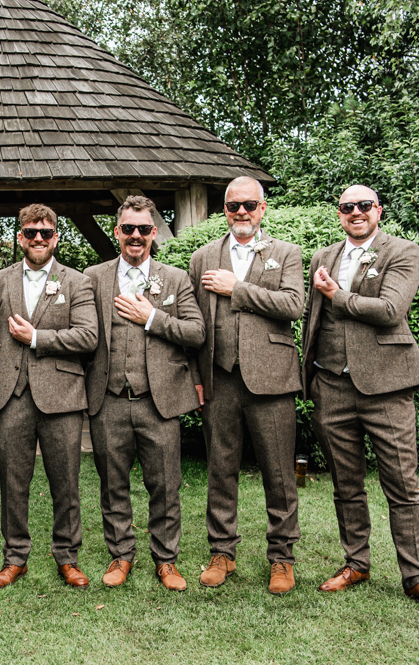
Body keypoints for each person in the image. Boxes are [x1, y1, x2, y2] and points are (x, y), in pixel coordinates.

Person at [301, 185, 419, 613]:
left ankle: (417, 578)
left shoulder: (402, 251)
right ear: (339, 214)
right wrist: (309, 377)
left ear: (378, 211)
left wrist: (337, 295)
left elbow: (391, 310)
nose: (356, 212)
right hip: (331, 386)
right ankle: (356, 564)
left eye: (364, 205)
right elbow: (313, 319)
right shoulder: (322, 256)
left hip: (386, 387)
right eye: (347, 207)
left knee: (402, 485)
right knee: (345, 484)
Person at [83, 195, 205, 592]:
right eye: (128, 228)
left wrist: (152, 317)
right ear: (116, 232)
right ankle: (121, 554)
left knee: (165, 485)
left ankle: (166, 560)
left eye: (144, 229)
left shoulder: (176, 279)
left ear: (154, 233)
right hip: (108, 398)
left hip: (159, 400)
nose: (136, 236)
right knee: (112, 483)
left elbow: (196, 332)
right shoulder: (93, 277)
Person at [189, 176, 304, 594]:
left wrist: (238, 289)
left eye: (249, 205)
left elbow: (293, 305)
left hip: (271, 379)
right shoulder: (202, 257)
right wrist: (196, 378)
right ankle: (222, 551)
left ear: (263, 208)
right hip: (219, 378)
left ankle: (282, 557)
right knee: (220, 469)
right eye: (233, 205)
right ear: (224, 210)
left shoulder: (286, 253)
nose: (242, 212)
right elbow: (194, 323)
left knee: (279, 473)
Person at [0, 204, 98, 589]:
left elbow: (88, 336)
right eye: (31, 232)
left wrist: (36, 338)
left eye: (45, 233)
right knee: (12, 481)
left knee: (65, 481)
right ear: (20, 237)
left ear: (55, 238)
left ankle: (67, 557)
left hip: (62, 396)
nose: (38, 238)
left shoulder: (77, 281)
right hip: (11, 394)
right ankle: (15, 557)